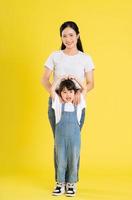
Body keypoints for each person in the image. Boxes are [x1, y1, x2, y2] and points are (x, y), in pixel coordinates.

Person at [41, 20, 94, 188]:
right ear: (61, 37)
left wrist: (80, 92)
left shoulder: (85, 58)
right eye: (64, 36)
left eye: (71, 35)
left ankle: (72, 181)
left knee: (73, 144)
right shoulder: (55, 56)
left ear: (77, 36)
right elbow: (44, 79)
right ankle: (60, 181)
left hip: (77, 106)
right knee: (59, 144)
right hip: (56, 106)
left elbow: (91, 83)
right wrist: (54, 94)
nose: (68, 39)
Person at [50, 76, 86, 196]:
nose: (67, 94)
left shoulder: (78, 104)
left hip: (74, 140)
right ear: (60, 94)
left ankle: (71, 184)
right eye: (64, 92)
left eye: (70, 91)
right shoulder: (58, 105)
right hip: (60, 140)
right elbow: (51, 90)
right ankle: (60, 184)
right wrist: (60, 78)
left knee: (73, 160)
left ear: (75, 93)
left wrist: (76, 79)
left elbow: (84, 88)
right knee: (60, 160)